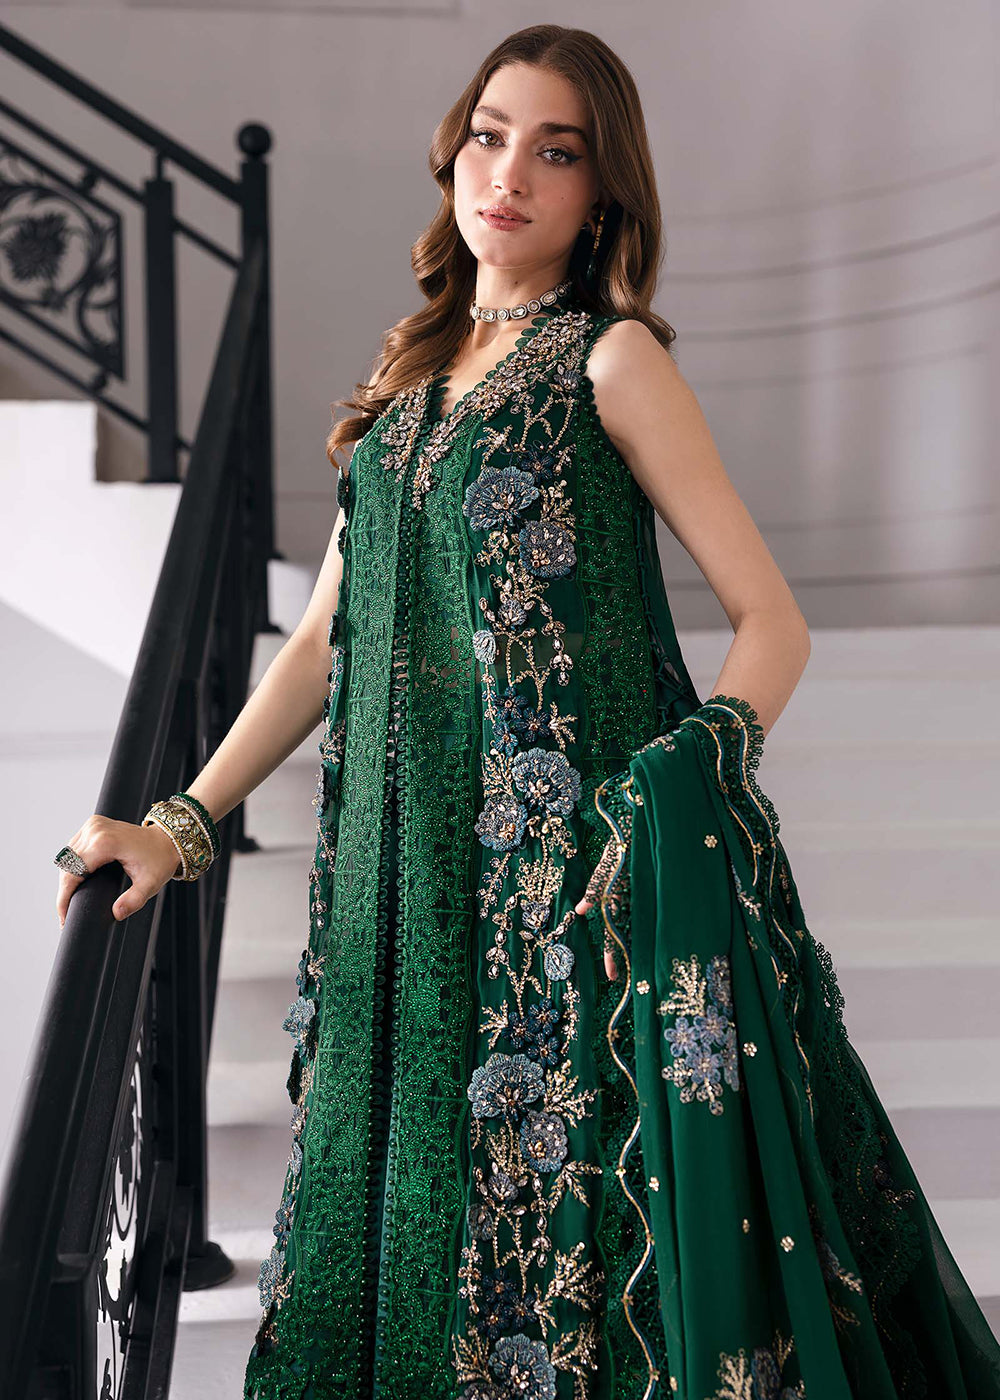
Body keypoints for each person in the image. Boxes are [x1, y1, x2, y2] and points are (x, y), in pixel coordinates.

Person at [54, 23, 1000, 1400]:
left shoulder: (611, 363)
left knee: (561, 1246)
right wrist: (181, 825)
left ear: (602, 192)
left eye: (557, 152)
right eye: (491, 137)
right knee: (405, 1223)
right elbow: (322, 642)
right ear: (453, 155)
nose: (510, 174)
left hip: (569, 888)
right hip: (397, 886)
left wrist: (677, 785)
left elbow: (772, 623)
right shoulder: (402, 387)